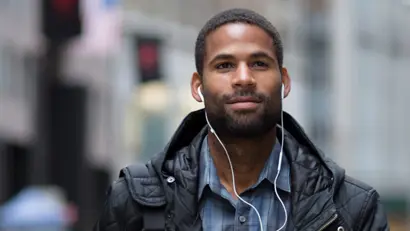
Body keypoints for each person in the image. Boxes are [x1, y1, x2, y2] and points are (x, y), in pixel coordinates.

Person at [94, 8, 389, 231]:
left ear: (284, 81)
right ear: (198, 86)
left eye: (259, 64)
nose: (244, 78)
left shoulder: (352, 209)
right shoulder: (133, 204)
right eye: (225, 65)